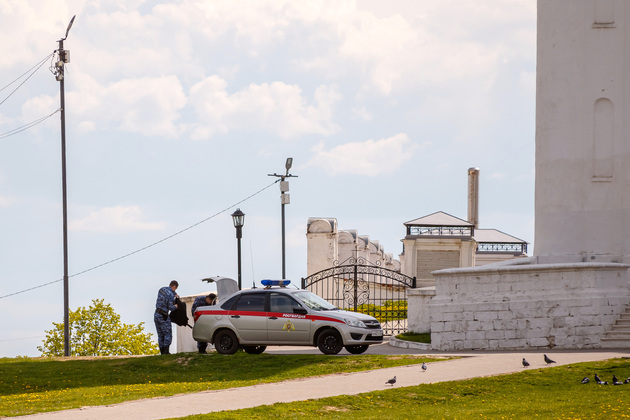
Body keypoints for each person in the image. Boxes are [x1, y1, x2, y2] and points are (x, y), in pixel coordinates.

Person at [154, 280, 179, 355]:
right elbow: (171, 307)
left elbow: (170, 292)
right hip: (164, 315)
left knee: (160, 334)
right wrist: (176, 306)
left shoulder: (162, 289)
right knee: (167, 333)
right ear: (174, 287)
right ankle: (166, 351)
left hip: (156, 314)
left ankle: (162, 351)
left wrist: (175, 293)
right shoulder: (170, 294)